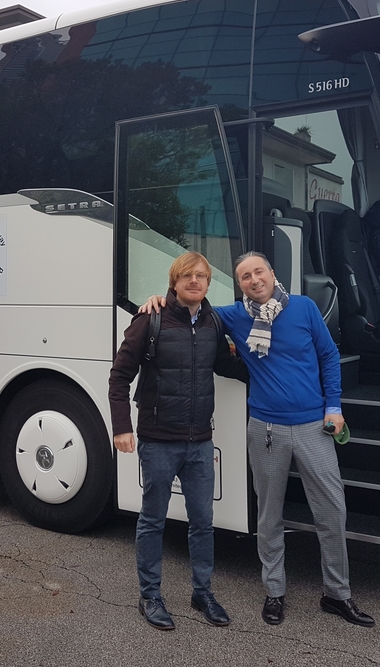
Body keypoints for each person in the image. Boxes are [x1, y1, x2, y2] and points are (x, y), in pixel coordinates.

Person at [141, 251, 374, 628]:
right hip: (265, 430)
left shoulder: (304, 308)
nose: (253, 279)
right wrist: (157, 301)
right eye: (245, 276)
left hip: (316, 426)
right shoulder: (233, 315)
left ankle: (337, 594)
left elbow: (329, 356)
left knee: (332, 512)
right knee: (269, 515)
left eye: (258, 271)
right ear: (240, 285)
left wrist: (335, 407)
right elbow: (191, 304)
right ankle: (275, 592)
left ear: (272, 273)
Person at [109, 251, 247, 631]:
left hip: (200, 441)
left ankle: (202, 592)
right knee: (152, 521)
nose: (195, 281)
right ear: (174, 281)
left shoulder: (213, 322)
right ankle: (150, 595)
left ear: (208, 283)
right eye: (188, 275)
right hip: (158, 441)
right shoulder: (149, 319)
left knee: (203, 522)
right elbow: (119, 377)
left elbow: (225, 365)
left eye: (202, 276)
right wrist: (122, 427)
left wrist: (271, 368)